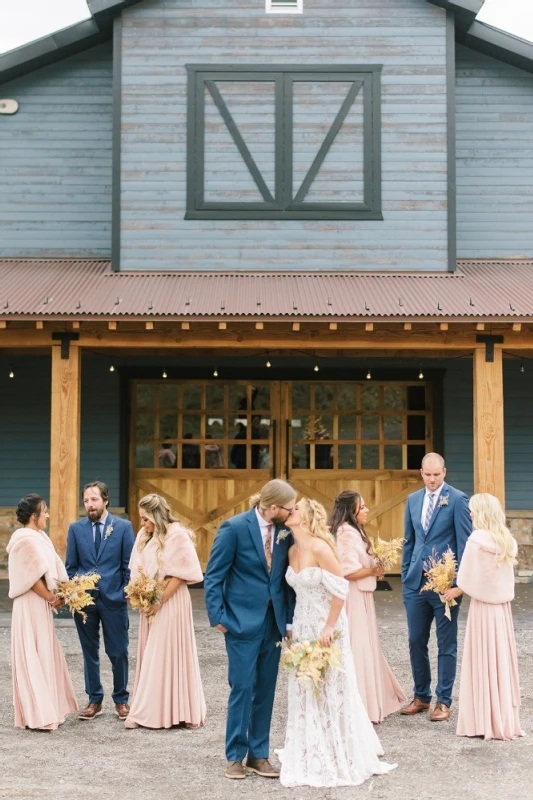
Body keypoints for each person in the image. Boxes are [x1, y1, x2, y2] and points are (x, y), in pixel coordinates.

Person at [277, 498, 397, 788]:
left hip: (326, 624)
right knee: (305, 684)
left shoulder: (321, 547)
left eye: (294, 510)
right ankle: (310, 745)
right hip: (303, 624)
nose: (289, 512)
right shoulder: (292, 549)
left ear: (305, 518)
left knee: (331, 684)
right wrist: (292, 627)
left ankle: (337, 747)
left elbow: (340, 588)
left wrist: (329, 626)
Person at [204, 479, 297, 781]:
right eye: (288, 508)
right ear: (272, 507)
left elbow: (286, 580)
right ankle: (234, 756)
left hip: (274, 623)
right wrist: (217, 616)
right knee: (242, 688)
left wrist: (290, 621)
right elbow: (214, 575)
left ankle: (259, 754)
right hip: (240, 622)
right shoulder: (233, 528)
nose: (292, 512)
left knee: (266, 690)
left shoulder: (286, 532)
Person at [125, 494, 206, 729]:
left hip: (170, 600)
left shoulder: (177, 534)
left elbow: (181, 573)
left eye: (145, 519)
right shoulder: (143, 536)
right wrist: (140, 594)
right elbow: (136, 567)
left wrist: (159, 599)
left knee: (168, 652)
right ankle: (150, 709)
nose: (142, 524)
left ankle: (181, 711)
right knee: (151, 652)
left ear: (156, 516)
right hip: (149, 602)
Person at [401, 453, 471, 721]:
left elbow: (464, 544)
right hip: (416, 584)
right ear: (421, 472)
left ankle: (443, 701)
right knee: (416, 640)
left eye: (436, 475)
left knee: (446, 643)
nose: (432, 479)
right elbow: (410, 540)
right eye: (427, 475)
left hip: (445, 585)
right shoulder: (413, 500)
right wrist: (407, 574)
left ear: (444, 472)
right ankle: (421, 696)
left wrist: (458, 583)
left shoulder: (457, 499)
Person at [332, 490, 406, 723]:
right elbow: (348, 571)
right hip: (352, 597)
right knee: (358, 646)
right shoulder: (345, 533)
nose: (366, 510)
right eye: (361, 507)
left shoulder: (355, 531)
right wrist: (375, 570)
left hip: (361, 595)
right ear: (351, 510)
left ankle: (367, 700)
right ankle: (358, 704)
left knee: (365, 645)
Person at [455, 493, 524, 741]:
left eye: (473, 510)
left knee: (482, 658)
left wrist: (453, 588)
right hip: (501, 610)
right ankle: (502, 717)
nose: (470, 514)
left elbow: (465, 578)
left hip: (483, 609)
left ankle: (482, 718)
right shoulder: (507, 540)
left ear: (481, 512)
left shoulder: (476, 540)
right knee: (500, 660)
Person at [7, 494, 78, 730]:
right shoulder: (24, 541)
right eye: (44, 511)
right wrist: (50, 597)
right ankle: (37, 713)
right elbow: (31, 577)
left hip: (41, 604)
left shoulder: (40, 537)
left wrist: (62, 593)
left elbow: (53, 567)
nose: (47, 515)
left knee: (44, 651)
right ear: (34, 517)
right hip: (30, 603)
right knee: (32, 653)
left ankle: (48, 707)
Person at [65, 481, 135, 720]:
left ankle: (121, 700)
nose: (90, 504)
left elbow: (129, 565)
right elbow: (71, 567)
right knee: (89, 652)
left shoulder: (123, 527)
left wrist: (124, 591)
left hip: (114, 598)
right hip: (84, 601)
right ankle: (94, 699)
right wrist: (75, 590)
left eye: (94, 499)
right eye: (86, 500)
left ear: (105, 500)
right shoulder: (76, 529)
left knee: (118, 651)